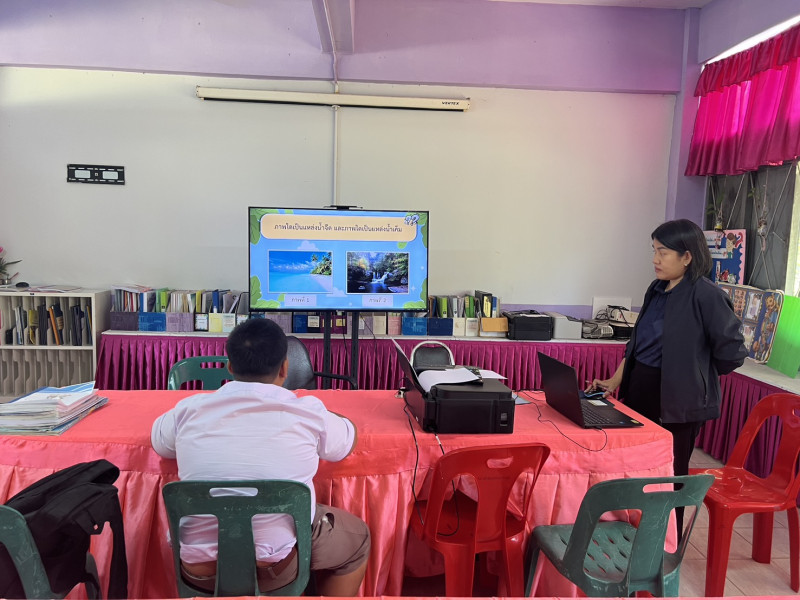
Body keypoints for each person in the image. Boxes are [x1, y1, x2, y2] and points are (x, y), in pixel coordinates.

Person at [151, 318, 370, 596]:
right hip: (277, 570)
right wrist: (327, 415)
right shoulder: (309, 412)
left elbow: (160, 444)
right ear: (285, 368)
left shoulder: (188, 409)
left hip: (197, 571)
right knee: (358, 540)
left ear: (230, 367)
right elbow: (346, 444)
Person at [590, 219, 747, 499]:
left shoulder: (706, 295)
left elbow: (732, 352)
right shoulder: (656, 289)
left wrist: (695, 373)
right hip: (641, 392)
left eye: (663, 252)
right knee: (637, 470)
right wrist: (614, 380)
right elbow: (638, 344)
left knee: (669, 478)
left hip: (678, 402)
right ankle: (635, 523)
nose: (655, 259)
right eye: (654, 251)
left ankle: (669, 528)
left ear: (687, 257)